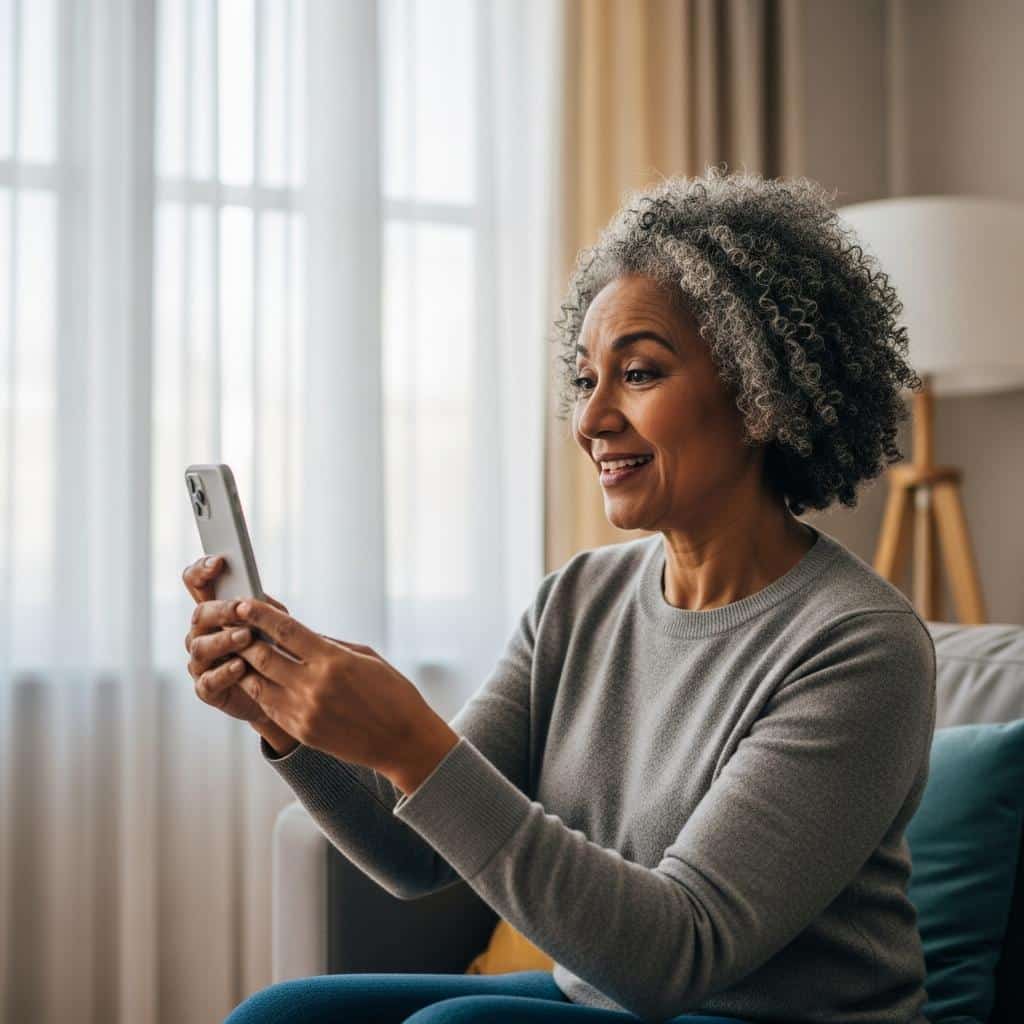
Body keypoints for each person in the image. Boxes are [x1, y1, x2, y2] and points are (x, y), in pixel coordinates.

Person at [184, 165, 935, 1024]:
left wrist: (413, 739)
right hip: (606, 1004)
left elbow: (678, 952)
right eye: (586, 380)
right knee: (281, 1016)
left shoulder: (859, 646)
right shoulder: (576, 600)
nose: (591, 420)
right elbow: (413, 856)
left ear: (762, 393)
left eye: (640, 374)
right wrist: (286, 723)